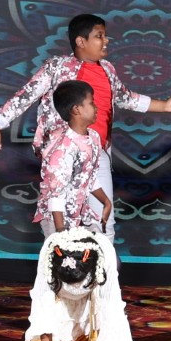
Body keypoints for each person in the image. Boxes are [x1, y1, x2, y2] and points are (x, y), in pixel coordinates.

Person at [0, 13, 171, 239]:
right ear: (81, 41)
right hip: (64, 153)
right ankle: (61, 257)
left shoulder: (108, 69)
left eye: (105, 36)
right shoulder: (57, 67)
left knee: (103, 221)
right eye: (99, 36)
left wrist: (165, 106)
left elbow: (125, 97)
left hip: (97, 152)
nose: (106, 40)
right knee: (60, 218)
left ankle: (104, 262)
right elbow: (27, 94)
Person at [17, 226, 135, 341]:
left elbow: (111, 299)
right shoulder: (50, 250)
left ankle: (88, 338)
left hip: (91, 300)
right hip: (59, 302)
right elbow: (42, 299)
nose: (75, 289)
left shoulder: (104, 251)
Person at [35, 79, 114, 237]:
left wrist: (106, 201)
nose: (96, 107)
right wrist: (61, 235)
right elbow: (55, 195)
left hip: (79, 214)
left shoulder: (93, 137)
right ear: (76, 109)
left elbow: (87, 177)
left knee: (95, 249)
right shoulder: (63, 148)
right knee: (64, 254)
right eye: (91, 103)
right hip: (57, 219)